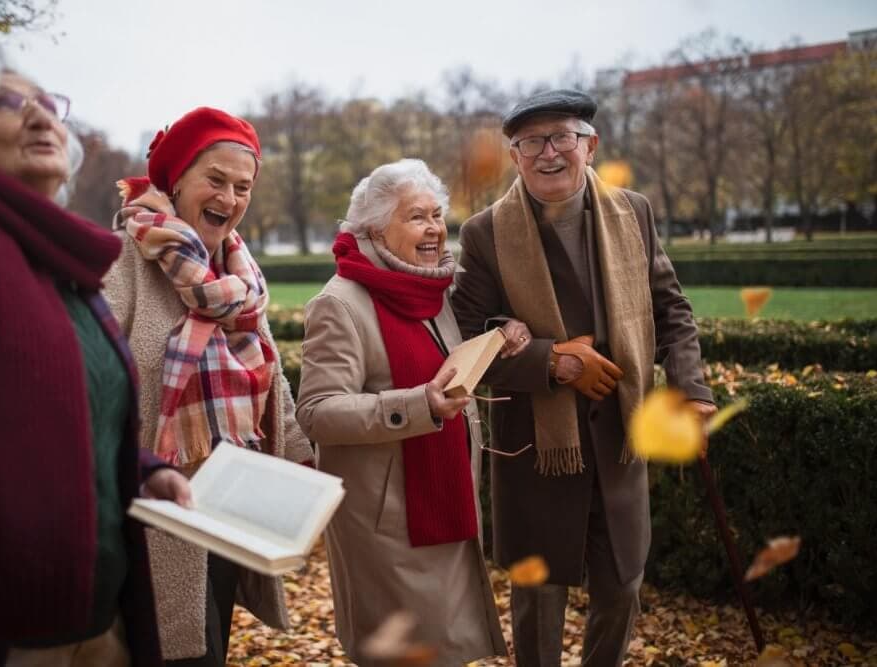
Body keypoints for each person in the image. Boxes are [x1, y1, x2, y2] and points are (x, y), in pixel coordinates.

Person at [0, 46, 192, 666]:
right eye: (5, 100)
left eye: (51, 106)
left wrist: (143, 469)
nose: (42, 117)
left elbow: (76, 408)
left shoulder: (65, 265)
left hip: (100, 624)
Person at [450, 90, 718, 666]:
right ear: (515, 156)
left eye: (561, 138)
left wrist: (692, 389)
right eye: (530, 143)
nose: (548, 153)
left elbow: (671, 310)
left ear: (589, 146)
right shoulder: (484, 233)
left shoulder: (635, 212)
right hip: (539, 450)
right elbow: (462, 345)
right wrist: (551, 362)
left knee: (622, 589)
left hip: (620, 439)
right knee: (539, 601)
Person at [102, 107, 314, 666]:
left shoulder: (237, 273)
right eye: (215, 180)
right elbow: (93, 388)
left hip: (227, 503)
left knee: (207, 645)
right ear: (176, 181)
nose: (230, 196)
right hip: (151, 512)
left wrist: (302, 457)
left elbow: (272, 382)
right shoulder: (123, 262)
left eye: (243, 186)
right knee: (169, 650)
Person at [296, 159, 520, 666]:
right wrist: (417, 406)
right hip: (386, 524)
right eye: (417, 216)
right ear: (376, 228)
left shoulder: (430, 290)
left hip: (442, 499)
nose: (435, 229)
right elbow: (317, 411)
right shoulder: (341, 303)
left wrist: (501, 331)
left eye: (438, 215)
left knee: (442, 649)